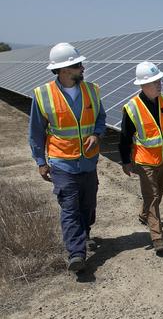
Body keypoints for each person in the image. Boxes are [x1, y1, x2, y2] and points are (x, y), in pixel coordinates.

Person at [29, 42, 106, 272]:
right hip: (62, 163)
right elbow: (35, 132)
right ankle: (76, 253)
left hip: (88, 161)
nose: (82, 68)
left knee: (88, 204)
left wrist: (96, 133)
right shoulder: (43, 95)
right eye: (77, 65)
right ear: (63, 70)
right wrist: (41, 162)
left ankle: (85, 233)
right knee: (70, 207)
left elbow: (101, 118)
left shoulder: (92, 90)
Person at [118, 61, 163, 253]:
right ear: (143, 85)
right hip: (144, 161)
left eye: (159, 80)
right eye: (154, 82)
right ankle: (157, 237)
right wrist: (125, 161)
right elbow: (124, 138)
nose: (159, 84)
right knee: (152, 197)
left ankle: (144, 215)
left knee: (158, 193)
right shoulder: (132, 108)